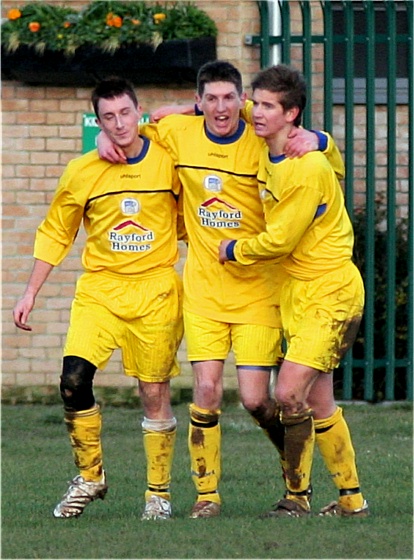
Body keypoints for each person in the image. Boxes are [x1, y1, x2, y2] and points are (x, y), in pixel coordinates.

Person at [98, 60, 342, 518]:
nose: (221, 107)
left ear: (243, 101)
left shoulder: (266, 135)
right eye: (210, 98)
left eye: (230, 97)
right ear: (199, 102)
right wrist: (102, 136)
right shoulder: (179, 134)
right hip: (205, 293)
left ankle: (295, 474)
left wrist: (322, 139)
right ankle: (207, 497)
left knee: (255, 399)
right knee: (206, 390)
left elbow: (326, 155)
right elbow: (132, 129)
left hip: (257, 291)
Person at [13, 77, 185, 521]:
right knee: (72, 380)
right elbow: (56, 231)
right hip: (100, 291)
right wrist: (30, 292)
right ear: (99, 122)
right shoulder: (83, 170)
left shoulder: (168, 157)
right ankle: (90, 477)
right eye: (108, 117)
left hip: (155, 290)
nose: (119, 123)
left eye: (126, 113)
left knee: (153, 391)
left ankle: (157, 495)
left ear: (138, 111)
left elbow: (214, 114)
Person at [219, 64, 369, 518]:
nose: (255, 113)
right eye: (256, 104)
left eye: (267, 107)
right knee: (318, 402)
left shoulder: (306, 167)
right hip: (298, 292)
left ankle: (296, 497)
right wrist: (165, 112)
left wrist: (233, 248)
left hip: (331, 293)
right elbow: (224, 105)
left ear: (292, 114)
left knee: (286, 394)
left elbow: (279, 241)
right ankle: (352, 501)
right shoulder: (273, 136)